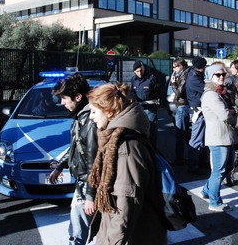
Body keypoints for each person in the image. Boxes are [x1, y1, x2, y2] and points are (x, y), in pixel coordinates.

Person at [87, 83, 167, 245]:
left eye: (94, 112)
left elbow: (126, 203)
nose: (91, 117)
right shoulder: (115, 139)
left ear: (109, 112)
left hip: (134, 237)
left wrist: (111, 242)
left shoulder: (126, 147)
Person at [49, 73, 98, 245]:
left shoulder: (89, 122)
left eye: (64, 98)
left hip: (87, 185)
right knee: (80, 227)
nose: (62, 103)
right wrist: (60, 166)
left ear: (78, 97)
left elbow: (94, 163)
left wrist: (90, 196)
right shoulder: (81, 117)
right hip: (83, 183)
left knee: (78, 231)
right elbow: (77, 147)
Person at [199, 64, 237, 212]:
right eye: (218, 75)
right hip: (218, 137)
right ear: (210, 76)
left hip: (225, 135)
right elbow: (224, 115)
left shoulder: (219, 92)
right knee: (219, 170)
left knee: (227, 168)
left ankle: (207, 190)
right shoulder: (211, 94)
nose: (222, 77)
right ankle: (214, 201)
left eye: (223, 74)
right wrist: (233, 112)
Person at [131, 60, 160, 147]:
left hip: (150, 109)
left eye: (141, 71)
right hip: (140, 109)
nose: (139, 73)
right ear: (134, 72)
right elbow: (133, 93)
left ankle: (153, 150)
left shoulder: (151, 78)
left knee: (151, 130)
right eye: (137, 71)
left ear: (143, 69)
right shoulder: (133, 80)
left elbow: (158, 92)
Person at [186, 56, 207, 174]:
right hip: (198, 111)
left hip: (198, 109)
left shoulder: (194, 75)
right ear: (202, 67)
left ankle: (199, 162)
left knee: (201, 138)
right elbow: (206, 88)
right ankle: (193, 165)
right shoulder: (194, 78)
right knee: (196, 139)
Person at [170, 57, 191, 166]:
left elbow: (179, 92)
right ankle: (191, 156)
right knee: (186, 133)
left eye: (174, 66)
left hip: (183, 105)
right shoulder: (182, 74)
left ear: (180, 65)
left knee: (180, 133)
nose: (173, 69)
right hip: (182, 105)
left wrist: (173, 84)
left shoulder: (185, 75)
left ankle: (180, 158)